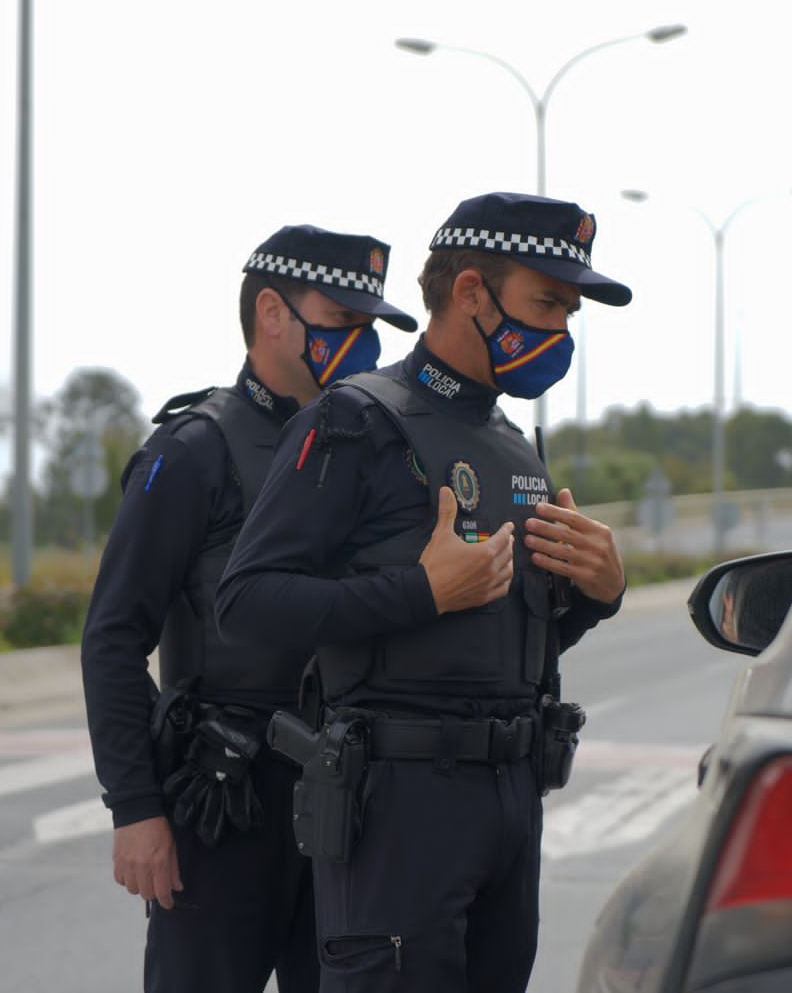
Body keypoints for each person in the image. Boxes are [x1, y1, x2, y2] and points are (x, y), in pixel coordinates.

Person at [216, 192, 633, 992]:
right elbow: (248, 603)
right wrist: (420, 592)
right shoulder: (355, 421)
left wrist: (597, 593)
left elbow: (503, 635)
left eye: (571, 311)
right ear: (471, 291)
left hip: (512, 798)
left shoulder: (512, 443)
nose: (561, 331)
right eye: (547, 302)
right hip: (400, 808)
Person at [80, 224, 418, 993]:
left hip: (348, 804)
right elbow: (112, 638)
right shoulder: (194, 449)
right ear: (272, 314)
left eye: (371, 329)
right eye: (342, 322)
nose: (362, 345)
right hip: (223, 802)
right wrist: (135, 809)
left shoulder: (369, 448)